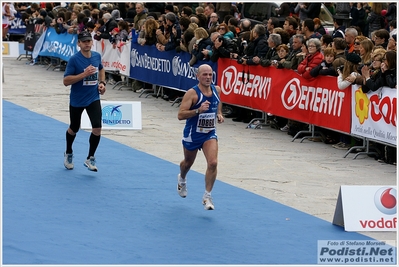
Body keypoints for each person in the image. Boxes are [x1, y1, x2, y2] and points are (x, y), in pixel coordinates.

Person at [177, 64, 224, 210]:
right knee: (187, 163)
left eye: (210, 74)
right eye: (205, 74)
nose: (208, 77)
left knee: (213, 163)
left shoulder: (217, 90)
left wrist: (219, 114)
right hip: (193, 134)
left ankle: (207, 196)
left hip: (209, 133)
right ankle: (182, 179)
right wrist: (198, 110)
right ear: (198, 76)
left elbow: (218, 103)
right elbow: (180, 115)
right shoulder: (192, 93)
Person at [63, 31, 106, 172]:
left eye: (89, 41)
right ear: (79, 43)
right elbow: (66, 81)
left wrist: (102, 83)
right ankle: (68, 152)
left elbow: (101, 68)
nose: (87, 43)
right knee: (74, 128)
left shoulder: (96, 56)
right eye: (84, 41)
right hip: (77, 99)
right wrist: (84, 75)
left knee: (97, 127)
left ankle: (90, 157)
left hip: (93, 97)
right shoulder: (74, 60)